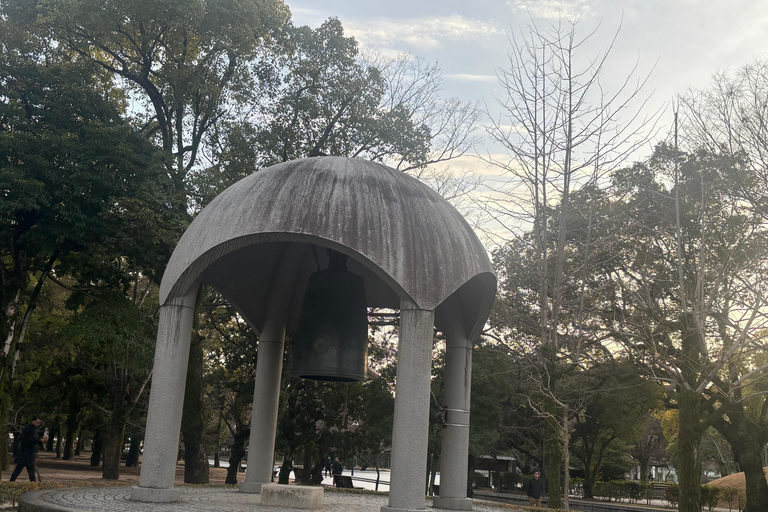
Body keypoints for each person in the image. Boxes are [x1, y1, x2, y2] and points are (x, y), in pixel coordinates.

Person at [11, 417, 43, 482]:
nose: (38, 424)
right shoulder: (31, 429)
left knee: (21, 468)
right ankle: (32, 482)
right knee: (28, 468)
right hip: (28, 453)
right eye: (37, 422)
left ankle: (12, 481)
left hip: (24, 452)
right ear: (33, 421)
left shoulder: (28, 429)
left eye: (39, 423)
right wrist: (39, 440)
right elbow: (31, 440)